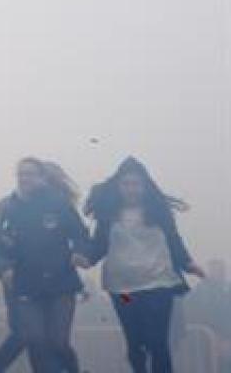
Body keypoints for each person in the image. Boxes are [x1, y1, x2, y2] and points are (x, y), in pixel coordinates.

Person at [83, 158, 204, 373]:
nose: (132, 189)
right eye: (126, 184)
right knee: (135, 341)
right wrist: (86, 259)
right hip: (123, 290)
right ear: (118, 187)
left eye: (136, 184)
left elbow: (173, 240)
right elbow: (99, 245)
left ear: (145, 186)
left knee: (157, 340)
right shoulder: (109, 215)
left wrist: (188, 263)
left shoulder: (159, 212)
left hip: (158, 284)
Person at [0, 159, 88, 373]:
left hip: (60, 281)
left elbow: (79, 232)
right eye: (21, 174)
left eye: (30, 173)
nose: (25, 178)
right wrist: (3, 267)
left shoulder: (58, 203)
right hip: (25, 282)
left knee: (58, 342)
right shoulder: (9, 205)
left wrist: (80, 251)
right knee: (34, 337)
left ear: (42, 178)